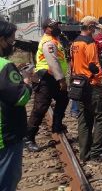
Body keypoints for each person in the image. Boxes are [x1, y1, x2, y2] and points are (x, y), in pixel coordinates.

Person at [71, 16, 102, 162]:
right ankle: (98, 151)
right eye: (94, 28)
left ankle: (84, 153)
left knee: (84, 119)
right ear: (90, 27)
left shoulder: (75, 42)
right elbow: (94, 64)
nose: (96, 31)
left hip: (79, 84)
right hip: (92, 84)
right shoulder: (89, 43)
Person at [25, 19, 69, 152]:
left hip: (52, 77)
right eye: (54, 26)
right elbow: (53, 61)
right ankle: (28, 137)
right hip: (47, 78)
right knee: (40, 108)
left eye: (57, 25)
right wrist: (61, 80)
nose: (57, 27)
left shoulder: (54, 39)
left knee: (63, 99)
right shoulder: (48, 42)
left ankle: (57, 125)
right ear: (46, 28)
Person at [0, 21, 32, 190]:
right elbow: (21, 98)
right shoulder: (5, 67)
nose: (13, 43)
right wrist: (26, 80)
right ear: (1, 40)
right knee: (7, 181)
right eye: (11, 39)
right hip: (5, 136)